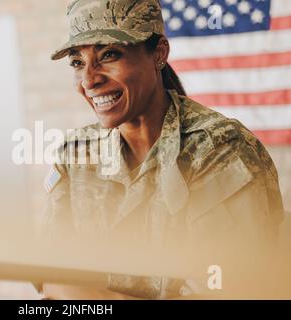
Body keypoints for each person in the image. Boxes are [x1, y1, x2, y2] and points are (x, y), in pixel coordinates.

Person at [40, 0, 285, 299]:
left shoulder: (220, 151)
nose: (89, 80)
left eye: (109, 55)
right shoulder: (76, 155)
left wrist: (98, 297)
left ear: (159, 54)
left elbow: (230, 287)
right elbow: (51, 275)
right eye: (78, 62)